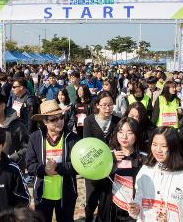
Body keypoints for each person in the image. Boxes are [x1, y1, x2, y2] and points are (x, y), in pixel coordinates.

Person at [128, 126, 183, 222]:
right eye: (154, 144)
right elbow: (139, 198)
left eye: (164, 146)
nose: (158, 150)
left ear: (174, 146)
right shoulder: (146, 170)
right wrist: (136, 209)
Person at [26, 100, 79, 222]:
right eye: (53, 119)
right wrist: (44, 169)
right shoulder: (35, 138)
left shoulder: (72, 138)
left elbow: (78, 166)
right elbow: (30, 165)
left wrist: (59, 168)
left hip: (67, 193)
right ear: (44, 122)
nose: (59, 121)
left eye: (61, 117)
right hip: (42, 194)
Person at [83, 91, 121, 222]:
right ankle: (88, 217)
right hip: (93, 167)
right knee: (91, 199)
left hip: (110, 167)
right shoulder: (89, 121)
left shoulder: (117, 121)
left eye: (110, 105)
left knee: (106, 200)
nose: (107, 108)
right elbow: (88, 145)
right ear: (97, 105)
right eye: (104, 105)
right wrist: (109, 154)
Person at [109, 117, 147, 222]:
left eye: (130, 133)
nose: (124, 137)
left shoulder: (144, 159)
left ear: (136, 135)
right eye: (120, 132)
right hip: (113, 209)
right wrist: (110, 158)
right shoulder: (108, 156)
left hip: (134, 210)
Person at [0, 91, 29, 171]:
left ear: (3, 106)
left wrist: (13, 158)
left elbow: (27, 147)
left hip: (13, 170)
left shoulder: (17, 125)